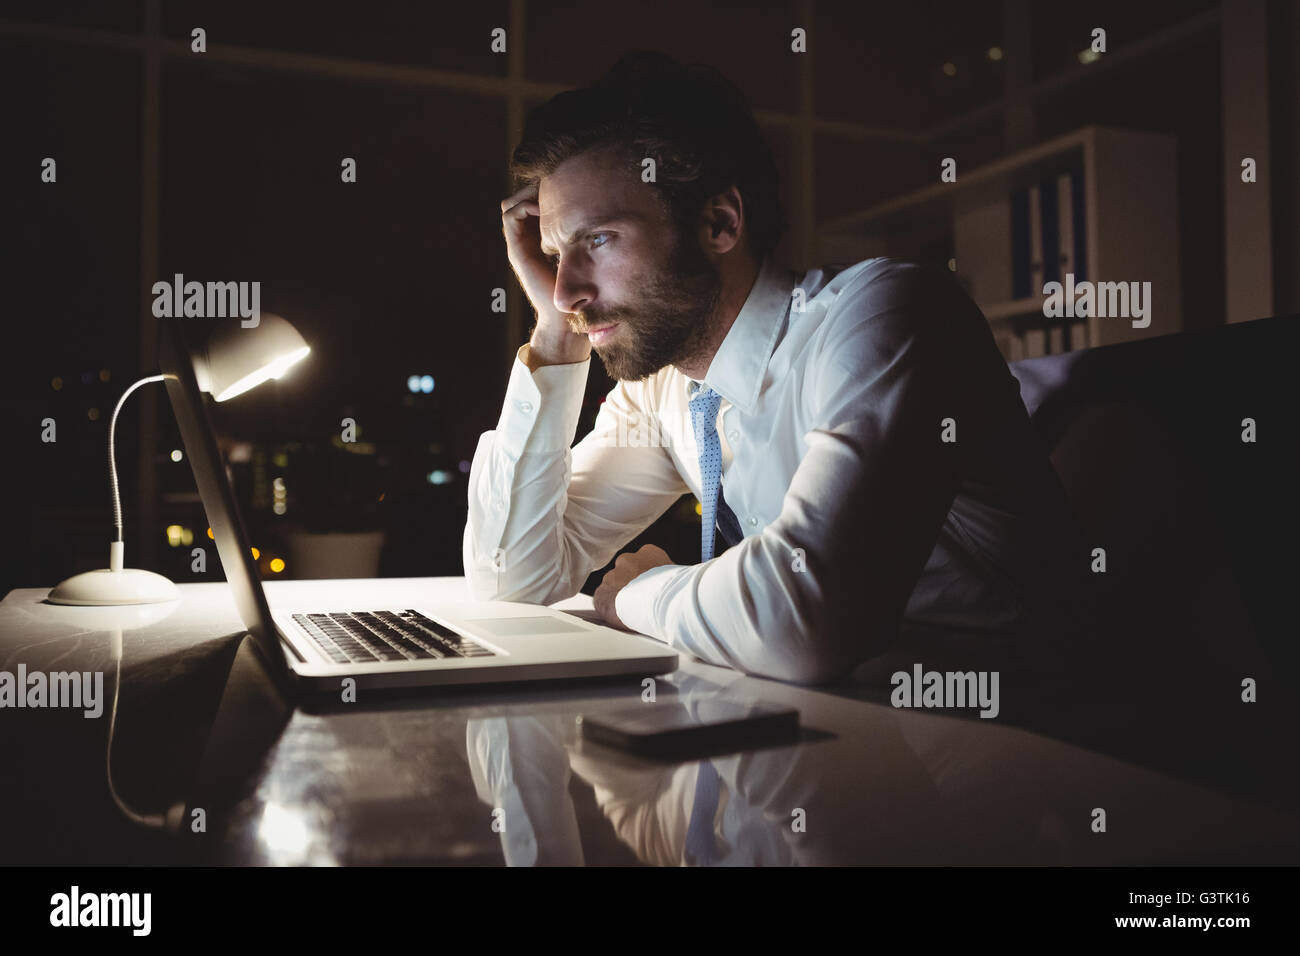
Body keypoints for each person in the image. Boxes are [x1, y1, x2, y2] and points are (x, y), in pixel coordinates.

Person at [463, 51, 1090, 687]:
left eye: (596, 240)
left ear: (720, 222)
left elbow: (801, 626)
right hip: (823, 730)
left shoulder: (889, 316)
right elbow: (516, 578)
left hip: (1017, 736)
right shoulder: (663, 390)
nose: (565, 288)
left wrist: (640, 592)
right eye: (554, 253)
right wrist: (553, 334)